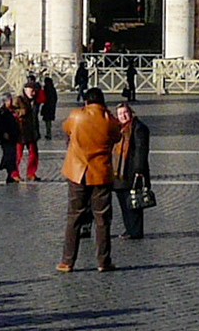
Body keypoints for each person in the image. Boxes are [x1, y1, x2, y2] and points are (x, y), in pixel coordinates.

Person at [57, 87, 122, 272]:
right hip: (100, 174)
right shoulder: (109, 120)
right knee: (102, 220)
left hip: (77, 172)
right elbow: (117, 136)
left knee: (74, 218)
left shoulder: (76, 115)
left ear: (86, 102)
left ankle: (67, 261)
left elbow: (66, 128)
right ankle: (103, 261)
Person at [111, 101, 151, 240]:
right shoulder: (117, 128)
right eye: (120, 113)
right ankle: (129, 229)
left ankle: (136, 231)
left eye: (125, 113)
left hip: (132, 172)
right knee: (125, 204)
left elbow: (141, 150)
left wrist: (139, 169)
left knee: (135, 203)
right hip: (119, 174)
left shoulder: (138, 128)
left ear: (131, 112)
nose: (123, 116)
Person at [0, 89, 22, 183]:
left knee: (12, 157)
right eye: (9, 100)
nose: (11, 101)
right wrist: (4, 133)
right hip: (3, 138)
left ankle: (11, 176)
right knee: (5, 157)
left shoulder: (11, 110)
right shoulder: (1, 111)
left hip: (12, 137)